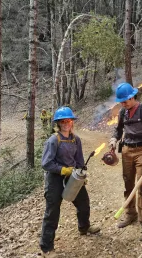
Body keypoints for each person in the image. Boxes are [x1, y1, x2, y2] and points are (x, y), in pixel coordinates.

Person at [40, 106, 100, 255]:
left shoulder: (76, 139)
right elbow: (46, 163)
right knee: (52, 212)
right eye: (63, 121)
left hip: (72, 177)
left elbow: (79, 161)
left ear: (72, 122)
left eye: (69, 120)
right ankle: (46, 247)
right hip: (54, 179)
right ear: (58, 123)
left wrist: (81, 175)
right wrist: (62, 169)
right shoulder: (53, 140)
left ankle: (84, 227)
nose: (66, 123)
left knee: (84, 203)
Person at [109, 82, 142, 241]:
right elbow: (118, 130)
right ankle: (131, 214)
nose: (123, 104)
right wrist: (113, 140)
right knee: (128, 184)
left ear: (133, 97)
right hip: (126, 151)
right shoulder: (122, 112)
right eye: (121, 102)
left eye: (125, 101)